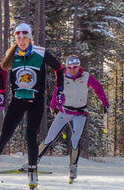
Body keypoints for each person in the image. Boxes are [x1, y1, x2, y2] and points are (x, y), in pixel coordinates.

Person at [0, 23, 60, 190]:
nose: (21, 41)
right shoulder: (11, 54)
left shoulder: (40, 53)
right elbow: (1, 71)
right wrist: (1, 93)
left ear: (30, 38)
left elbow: (59, 68)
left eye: (24, 38)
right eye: (18, 38)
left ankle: (33, 171)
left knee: (30, 136)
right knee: (4, 135)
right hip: (18, 100)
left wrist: (59, 90)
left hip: (36, 100)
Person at [40, 54, 108, 182]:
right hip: (64, 111)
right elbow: (57, 92)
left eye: (75, 67)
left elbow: (98, 88)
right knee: (50, 136)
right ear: (67, 67)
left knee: (75, 140)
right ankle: (33, 161)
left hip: (80, 113)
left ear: (79, 66)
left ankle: (73, 167)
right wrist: (53, 106)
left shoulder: (86, 77)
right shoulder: (63, 77)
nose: (72, 69)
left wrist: (105, 104)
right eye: (70, 67)